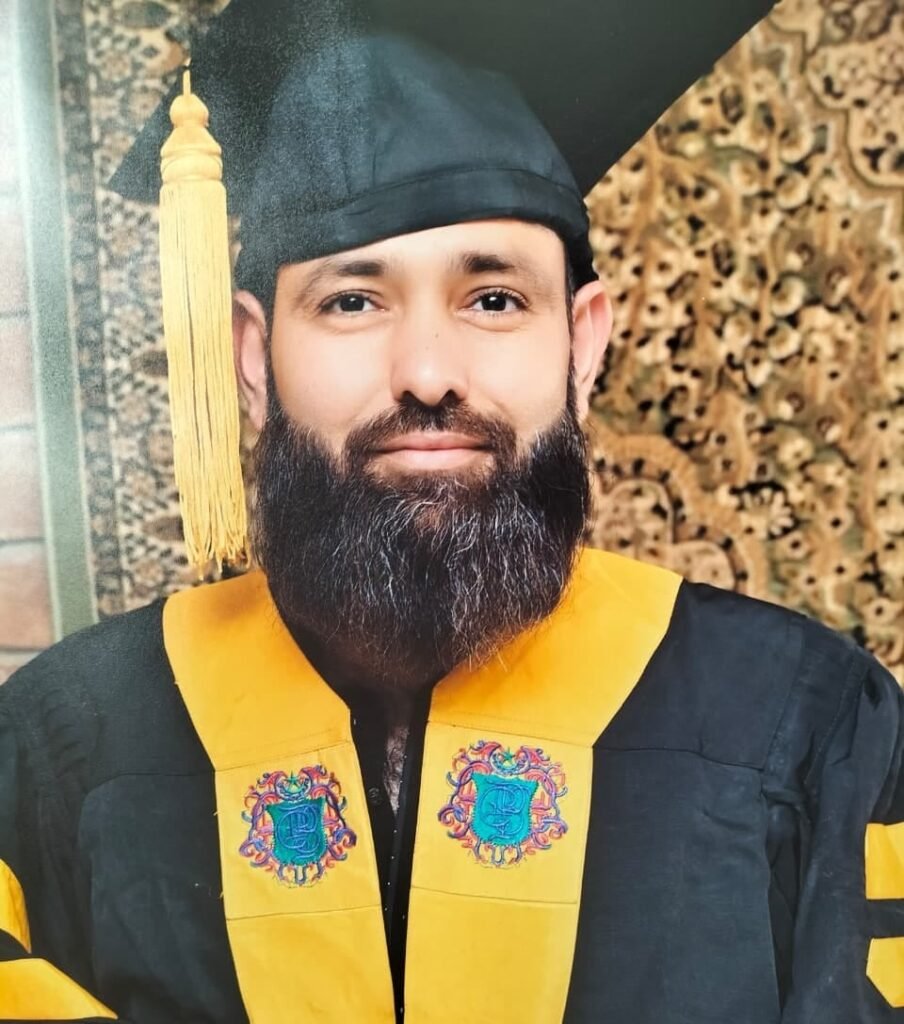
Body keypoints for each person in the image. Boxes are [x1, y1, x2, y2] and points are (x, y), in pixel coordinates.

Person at [1, 1, 902, 1021]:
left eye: (494, 299)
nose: (427, 372)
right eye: (351, 301)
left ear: (583, 344)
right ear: (252, 361)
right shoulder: (66, 743)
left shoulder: (807, 723)